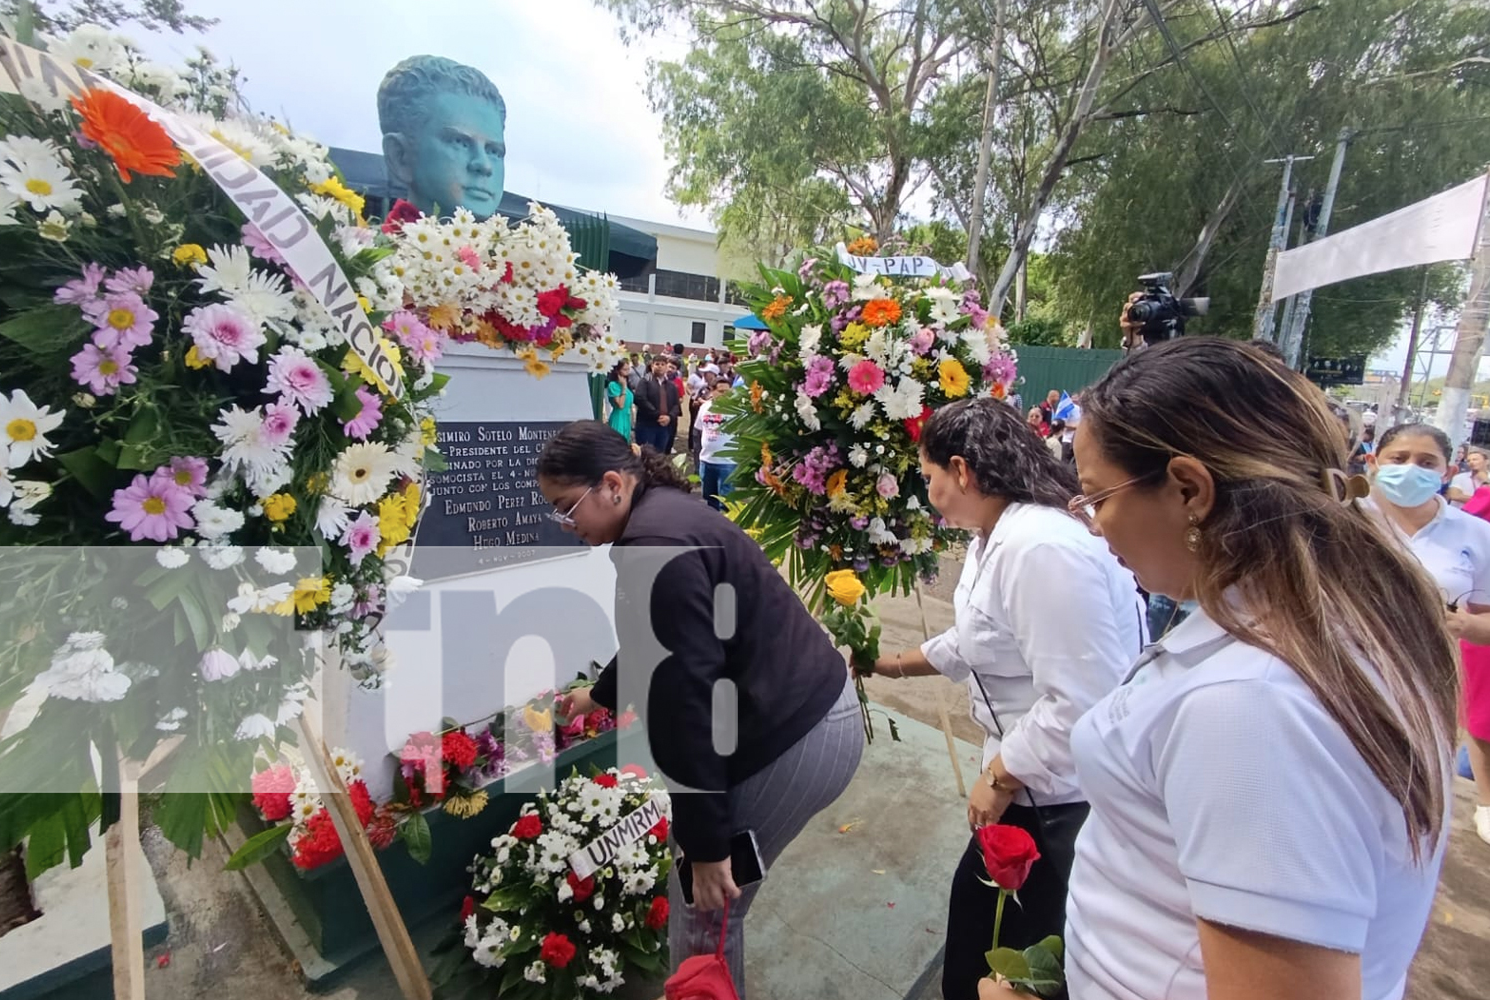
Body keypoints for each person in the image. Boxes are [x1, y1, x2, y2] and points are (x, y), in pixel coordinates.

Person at [980, 338, 1457, 1000]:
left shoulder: (1255, 706)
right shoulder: (1314, 629)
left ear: (1188, 489)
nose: (1092, 526)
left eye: (1097, 497)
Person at [541, 423, 863, 998]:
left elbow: (686, 705)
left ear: (613, 484)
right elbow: (659, 639)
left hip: (793, 736)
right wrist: (600, 695)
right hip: (815, 712)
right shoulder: (665, 516)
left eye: (568, 509)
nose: (568, 527)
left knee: (704, 913)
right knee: (703, 901)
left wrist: (708, 846)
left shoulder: (651, 547)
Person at [863, 397, 1142, 1000]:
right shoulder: (999, 533)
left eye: (931, 477)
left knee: (1008, 953)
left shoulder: (1040, 547)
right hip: (1030, 780)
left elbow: (1081, 699)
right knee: (981, 934)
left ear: (962, 470)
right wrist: (890, 665)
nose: (929, 491)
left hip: (1056, 795)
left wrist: (1001, 773)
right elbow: (979, 637)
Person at [1366, 422, 1490, 846]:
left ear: (1445, 471)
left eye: (1425, 462)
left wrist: (1466, 625)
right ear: (1373, 462)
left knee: (1402, 801)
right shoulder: (1340, 522)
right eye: (1398, 459)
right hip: (1341, 673)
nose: (1410, 470)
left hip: (1426, 686)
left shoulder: (1475, 534)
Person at [377, 55, 507, 219]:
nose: (484, 165)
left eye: (494, 152)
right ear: (400, 156)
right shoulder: (348, 244)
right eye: (460, 142)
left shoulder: (527, 244)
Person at [697, 377, 736, 510]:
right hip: (707, 460)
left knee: (727, 503)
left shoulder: (738, 410)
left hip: (727, 462)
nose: (725, 395)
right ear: (712, 391)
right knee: (709, 499)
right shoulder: (704, 407)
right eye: (721, 391)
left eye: (728, 391)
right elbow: (699, 430)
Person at [633, 355, 680, 453]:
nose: (660, 366)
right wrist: (657, 414)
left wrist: (669, 417)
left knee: (659, 455)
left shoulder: (671, 386)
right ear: (651, 366)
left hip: (664, 427)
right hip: (647, 425)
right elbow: (640, 399)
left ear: (666, 366)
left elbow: (676, 405)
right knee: (646, 454)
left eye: (663, 364)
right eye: (657, 364)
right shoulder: (645, 381)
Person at [605, 359, 634, 442]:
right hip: (618, 417)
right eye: (624, 369)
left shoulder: (627, 384)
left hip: (627, 417)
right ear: (618, 371)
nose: (627, 372)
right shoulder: (613, 385)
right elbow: (620, 405)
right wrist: (623, 388)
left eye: (628, 369)